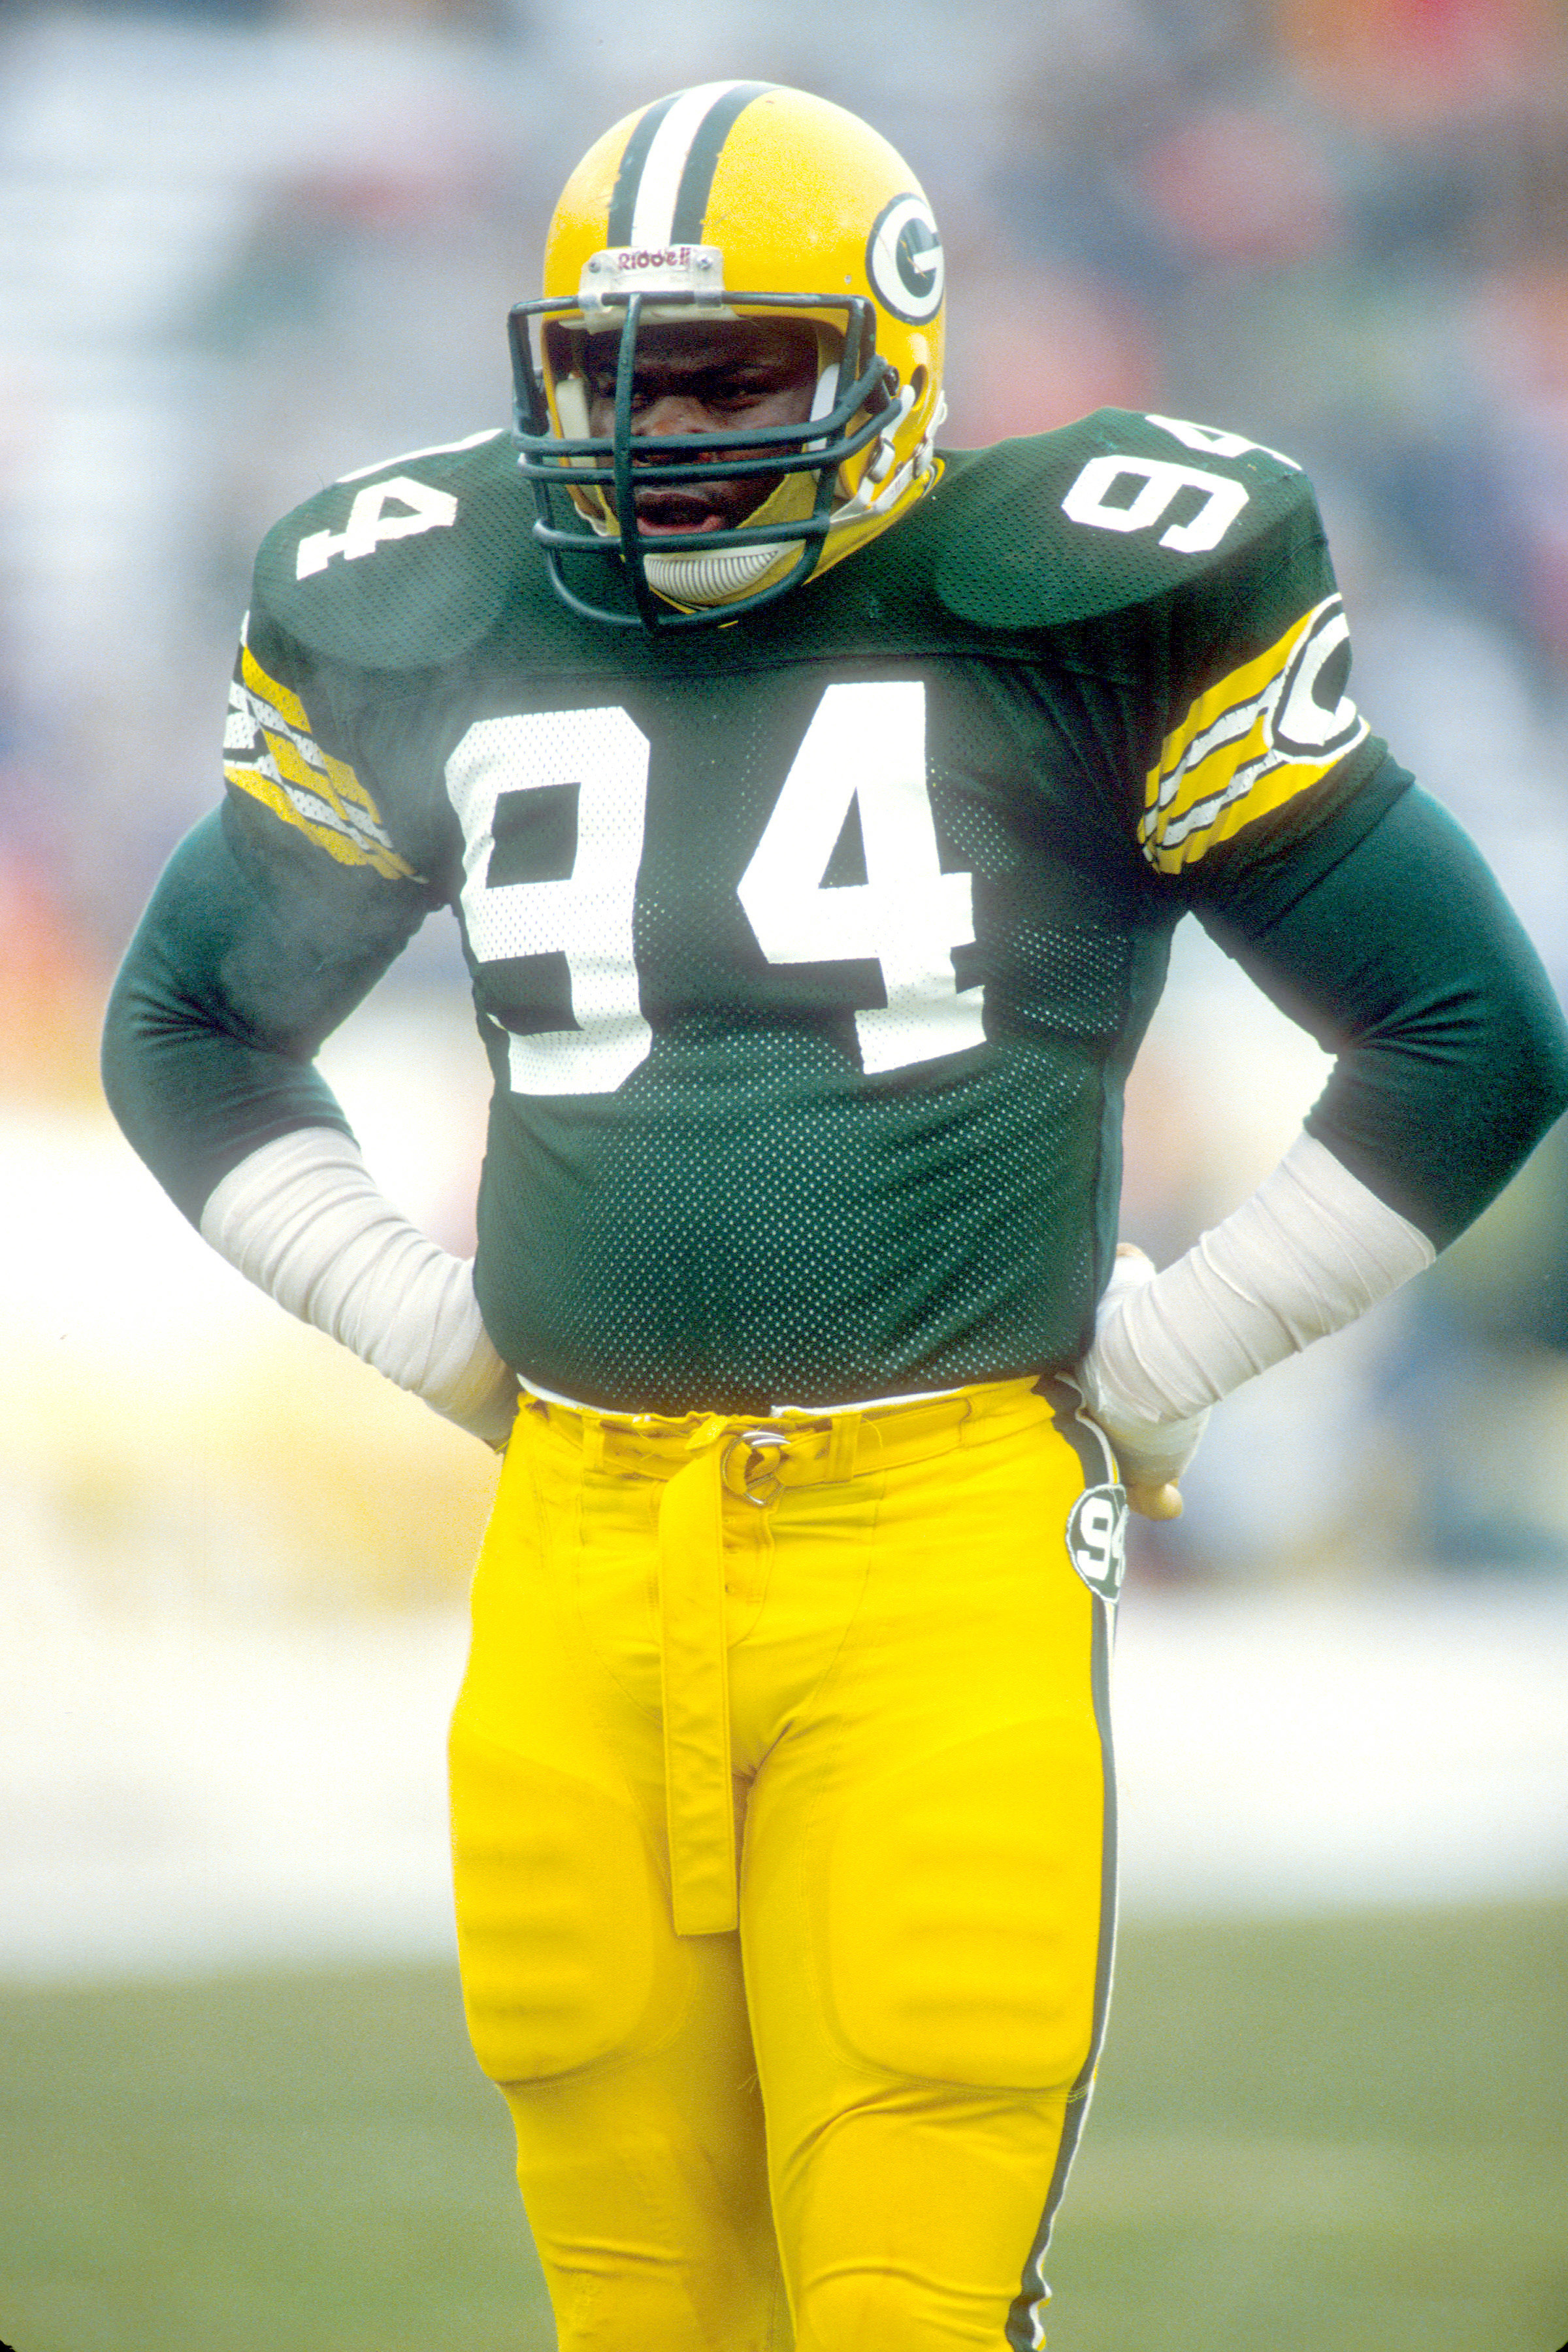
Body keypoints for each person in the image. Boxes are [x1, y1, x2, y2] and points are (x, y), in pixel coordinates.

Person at [101, 79, 1568, 2352]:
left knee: (898, 2303)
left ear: (887, 363)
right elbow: (192, 1023)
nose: (658, 432)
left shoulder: (1088, 590)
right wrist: (438, 1330)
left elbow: (1473, 1028)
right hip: (577, 1560)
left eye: (728, 372)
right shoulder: (439, 601)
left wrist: (1167, 1360)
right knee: (636, 2314)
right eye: (608, 375)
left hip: (936, 1543)